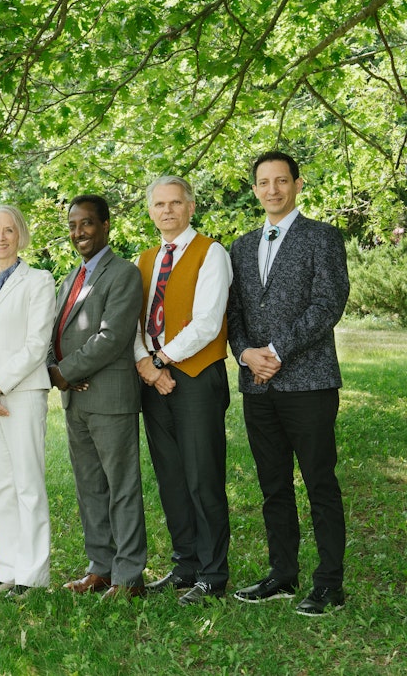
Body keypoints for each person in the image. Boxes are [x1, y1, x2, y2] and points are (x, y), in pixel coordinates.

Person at [228, 151, 350, 616]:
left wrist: (275, 352)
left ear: (298, 184)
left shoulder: (322, 237)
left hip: (310, 383)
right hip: (257, 387)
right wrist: (244, 353)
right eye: (264, 182)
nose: (273, 189)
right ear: (255, 188)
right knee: (273, 485)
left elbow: (327, 304)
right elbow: (234, 313)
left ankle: (329, 583)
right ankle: (282, 574)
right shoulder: (240, 247)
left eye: (282, 181)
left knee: (319, 481)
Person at [133, 176, 233, 605]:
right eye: (159, 204)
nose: (168, 210)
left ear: (190, 208)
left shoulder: (212, 253)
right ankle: (186, 563)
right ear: (151, 211)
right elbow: (134, 321)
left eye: (176, 203)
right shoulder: (145, 259)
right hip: (154, 381)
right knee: (171, 476)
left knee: (202, 476)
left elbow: (208, 322)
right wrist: (145, 363)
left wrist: (159, 360)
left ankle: (213, 573)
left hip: (195, 377)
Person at [49, 195, 148, 600]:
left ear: (106, 225)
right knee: (90, 486)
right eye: (73, 226)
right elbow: (55, 333)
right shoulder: (71, 276)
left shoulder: (123, 273)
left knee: (121, 486)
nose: (79, 233)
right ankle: (101, 567)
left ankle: (129, 576)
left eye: (87, 224)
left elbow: (112, 337)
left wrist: (65, 372)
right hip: (77, 400)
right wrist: (60, 373)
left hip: (110, 398)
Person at [0, 205, 56, 599]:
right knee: (0, 484)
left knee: (28, 484)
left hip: (22, 394)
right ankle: (6, 571)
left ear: (20, 236)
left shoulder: (39, 280)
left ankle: (32, 576)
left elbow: (38, 344)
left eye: (9, 230)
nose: (1, 237)